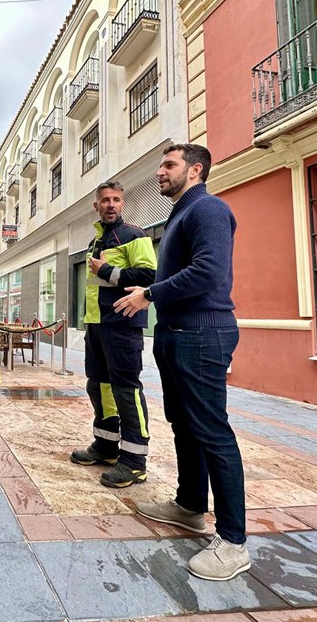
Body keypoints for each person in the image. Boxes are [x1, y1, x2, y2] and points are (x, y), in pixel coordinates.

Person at [114, 143, 249, 581]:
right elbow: (175, 273)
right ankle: (191, 505)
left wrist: (148, 294)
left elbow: (209, 272)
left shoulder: (208, 210)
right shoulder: (179, 214)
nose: (160, 172)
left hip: (202, 333)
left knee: (212, 431)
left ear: (195, 170)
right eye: (160, 165)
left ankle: (233, 543)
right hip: (176, 333)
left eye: (168, 165)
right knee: (184, 423)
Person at [70, 182, 156, 488]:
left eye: (116, 200)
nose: (110, 204)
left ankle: (134, 461)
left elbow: (149, 276)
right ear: (96, 205)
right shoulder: (97, 240)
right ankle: (106, 445)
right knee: (98, 386)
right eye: (105, 200)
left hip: (122, 326)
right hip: (96, 325)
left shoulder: (135, 235)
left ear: (123, 204)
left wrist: (108, 271)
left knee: (126, 390)